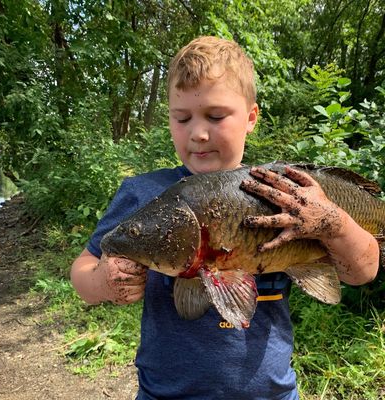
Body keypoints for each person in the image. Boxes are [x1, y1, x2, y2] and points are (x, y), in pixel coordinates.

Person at [71, 36, 379, 399]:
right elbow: (84, 269)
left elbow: (362, 271)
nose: (198, 133)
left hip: (270, 392)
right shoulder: (142, 193)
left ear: (251, 118)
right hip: (166, 392)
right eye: (182, 118)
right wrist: (103, 282)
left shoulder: (293, 190)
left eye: (215, 116)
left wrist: (334, 223)